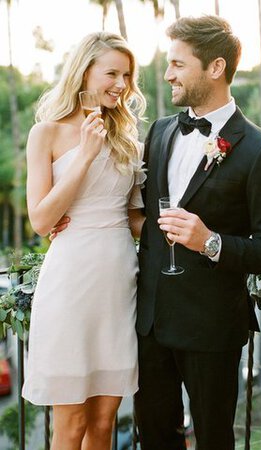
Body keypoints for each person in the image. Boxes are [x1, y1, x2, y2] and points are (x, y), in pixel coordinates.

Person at [133, 15, 261, 450]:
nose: (167, 74)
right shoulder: (160, 131)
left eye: (178, 64)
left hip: (211, 328)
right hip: (149, 325)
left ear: (216, 67)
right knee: (154, 438)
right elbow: (144, 216)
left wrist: (210, 242)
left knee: (213, 440)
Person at [22, 31, 146, 450]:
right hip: (70, 283)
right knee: (71, 424)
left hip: (118, 283)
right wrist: (86, 156)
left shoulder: (129, 137)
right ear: (84, 72)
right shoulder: (47, 133)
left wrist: (192, 234)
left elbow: (133, 218)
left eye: (127, 76)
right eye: (112, 72)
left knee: (104, 421)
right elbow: (41, 220)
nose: (121, 84)